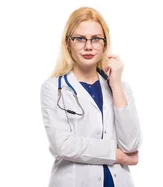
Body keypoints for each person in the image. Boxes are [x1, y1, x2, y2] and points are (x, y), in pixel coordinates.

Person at [40, 7, 142, 187]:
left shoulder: (121, 87)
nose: (88, 46)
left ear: (104, 43)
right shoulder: (53, 88)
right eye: (80, 39)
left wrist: (116, 85)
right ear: (68, 43)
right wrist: (117, 155)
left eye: (95, 39)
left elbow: (131, 144)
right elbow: (62, 145)